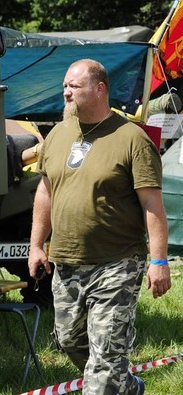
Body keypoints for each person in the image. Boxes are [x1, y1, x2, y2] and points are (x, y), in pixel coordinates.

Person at [28, 59, 172, 395]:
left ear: (99, 89)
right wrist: (37, 244)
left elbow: (152, 204)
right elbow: (45, 191)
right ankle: (127, 386)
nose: (66, 92)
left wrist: (159, 260)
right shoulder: (57, 135)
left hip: (117, 262)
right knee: (68, 340)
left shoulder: (131, 139)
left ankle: (109, 382)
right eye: (65, 85)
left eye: (74, 86)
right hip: (66, 262)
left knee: (106, 357)